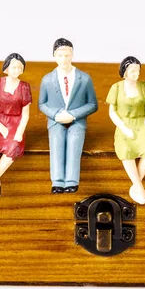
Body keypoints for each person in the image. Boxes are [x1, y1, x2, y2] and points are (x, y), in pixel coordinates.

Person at [38, 38, 98, 193]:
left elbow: (93, 104)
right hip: (56, 121)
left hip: (76, 121)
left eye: (67, 55)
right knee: (56, 142)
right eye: (60, 55)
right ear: (54, 56)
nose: (63, 59)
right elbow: (42, 104)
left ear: (72, 55)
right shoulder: (46, 80)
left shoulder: (84, 79)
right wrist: (56, 114)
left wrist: (73, 115)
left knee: (74, 142)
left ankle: (71, 181)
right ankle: (57, 182)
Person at [106, 56, 145, 204]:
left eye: (138, 70)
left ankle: (136, 185)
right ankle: (139, 187)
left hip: (142, 122)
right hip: (124, 123)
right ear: (124, 72)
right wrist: (123, 127)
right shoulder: (116, 88)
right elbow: (112, 112)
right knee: (126, 149)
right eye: (132, 70)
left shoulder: (143, 87)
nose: (136, 73)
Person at [0, 53, 32, 198]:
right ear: (6, 69)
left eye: (19, 67)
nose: (16, 70)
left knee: (14, 146)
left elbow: (26, 113)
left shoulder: (24, 87)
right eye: (13, 67)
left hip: (16, 123)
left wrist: (19, 132)